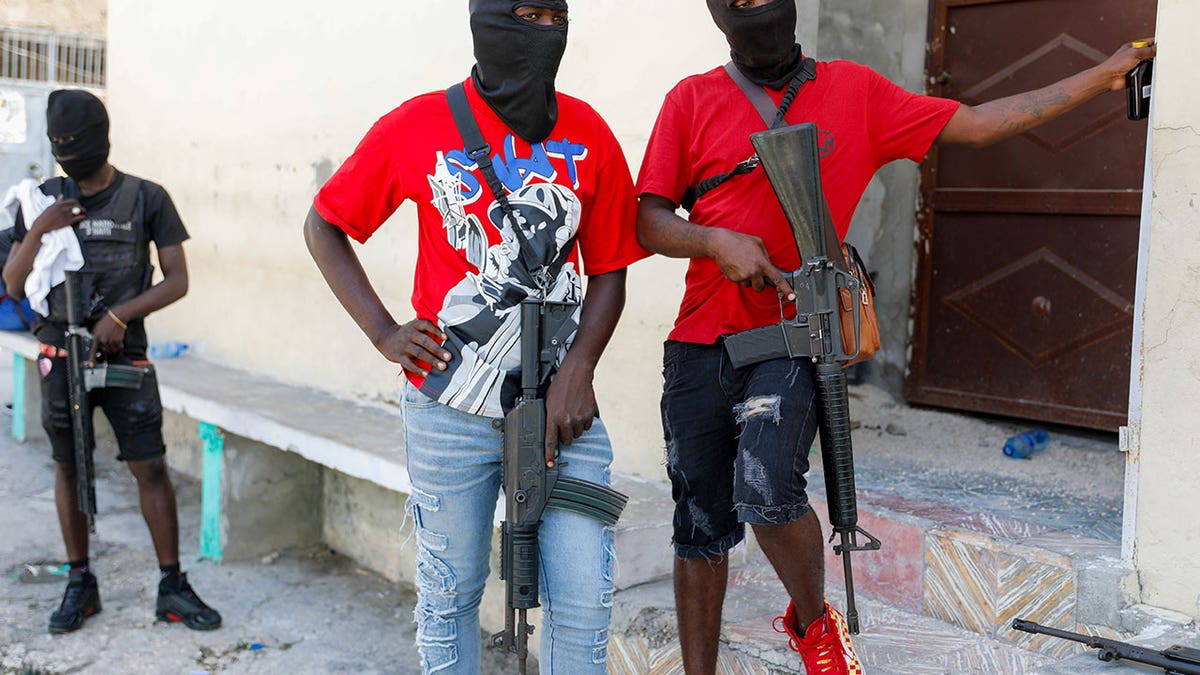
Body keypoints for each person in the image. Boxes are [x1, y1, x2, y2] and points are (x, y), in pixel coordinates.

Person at [634, 1, 1156, 673]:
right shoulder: (691, 99)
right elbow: (649, 219)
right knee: (698, 524)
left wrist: (1103, 75)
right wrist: (712, 238)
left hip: (799, 330)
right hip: (701, 341)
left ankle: (815, 621)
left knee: (766, 490)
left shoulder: (854, 90)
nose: (753, 10)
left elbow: (976, 123)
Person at [303, 2, 647, 672]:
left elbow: (610, 270)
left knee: (582, 595)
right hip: (449, 413)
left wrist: (581, 367)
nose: (543, 29)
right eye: (524, 12)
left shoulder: (591, 132)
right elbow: (326, 225)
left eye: (555, 14)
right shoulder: (418, 124)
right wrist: (382, 331)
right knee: (451, 593)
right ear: (486, 20)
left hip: (564, 415)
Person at [2, 89, 221, 634]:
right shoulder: (39, 200)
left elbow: (178, 280)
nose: (69, 153)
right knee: (68, 467)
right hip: (60, 357)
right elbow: (10, 283)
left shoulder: (147, 198)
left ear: (103, 137)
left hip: (128, 361)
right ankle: (81, 582)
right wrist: (40, 229)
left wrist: (120, 317)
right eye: (60, 144)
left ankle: (172, 585)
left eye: (77, 142)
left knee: (148, 466)